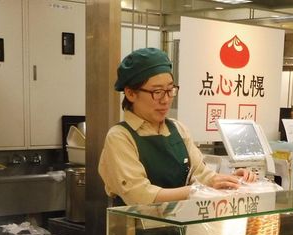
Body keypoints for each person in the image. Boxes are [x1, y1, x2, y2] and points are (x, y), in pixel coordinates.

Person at [99, 47, 255, 206]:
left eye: (170, 90)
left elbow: (201, 174)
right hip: (135, 221)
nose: (166, 100)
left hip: (179, 220)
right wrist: (196, 191)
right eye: (157, 92)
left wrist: (230, 180)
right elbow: (139, 194)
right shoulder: (120, 137)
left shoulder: (178, 129)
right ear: (131, 93)